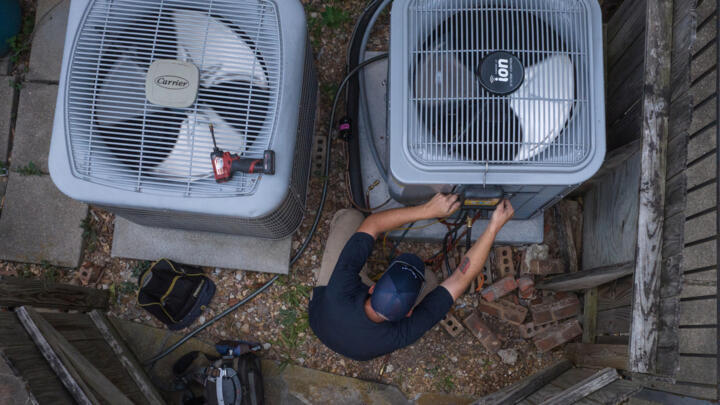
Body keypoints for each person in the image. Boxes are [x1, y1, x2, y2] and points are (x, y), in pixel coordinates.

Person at [308, 193, 515, 361]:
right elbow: (461, 278)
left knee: (352, 219)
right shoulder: (401, 334)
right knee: (431, 281)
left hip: (323, 318)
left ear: (372, 288)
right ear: (408, 313)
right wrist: (494, 226)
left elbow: (372, 224)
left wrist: (428, 210)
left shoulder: (340, 289)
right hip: (345, 331)